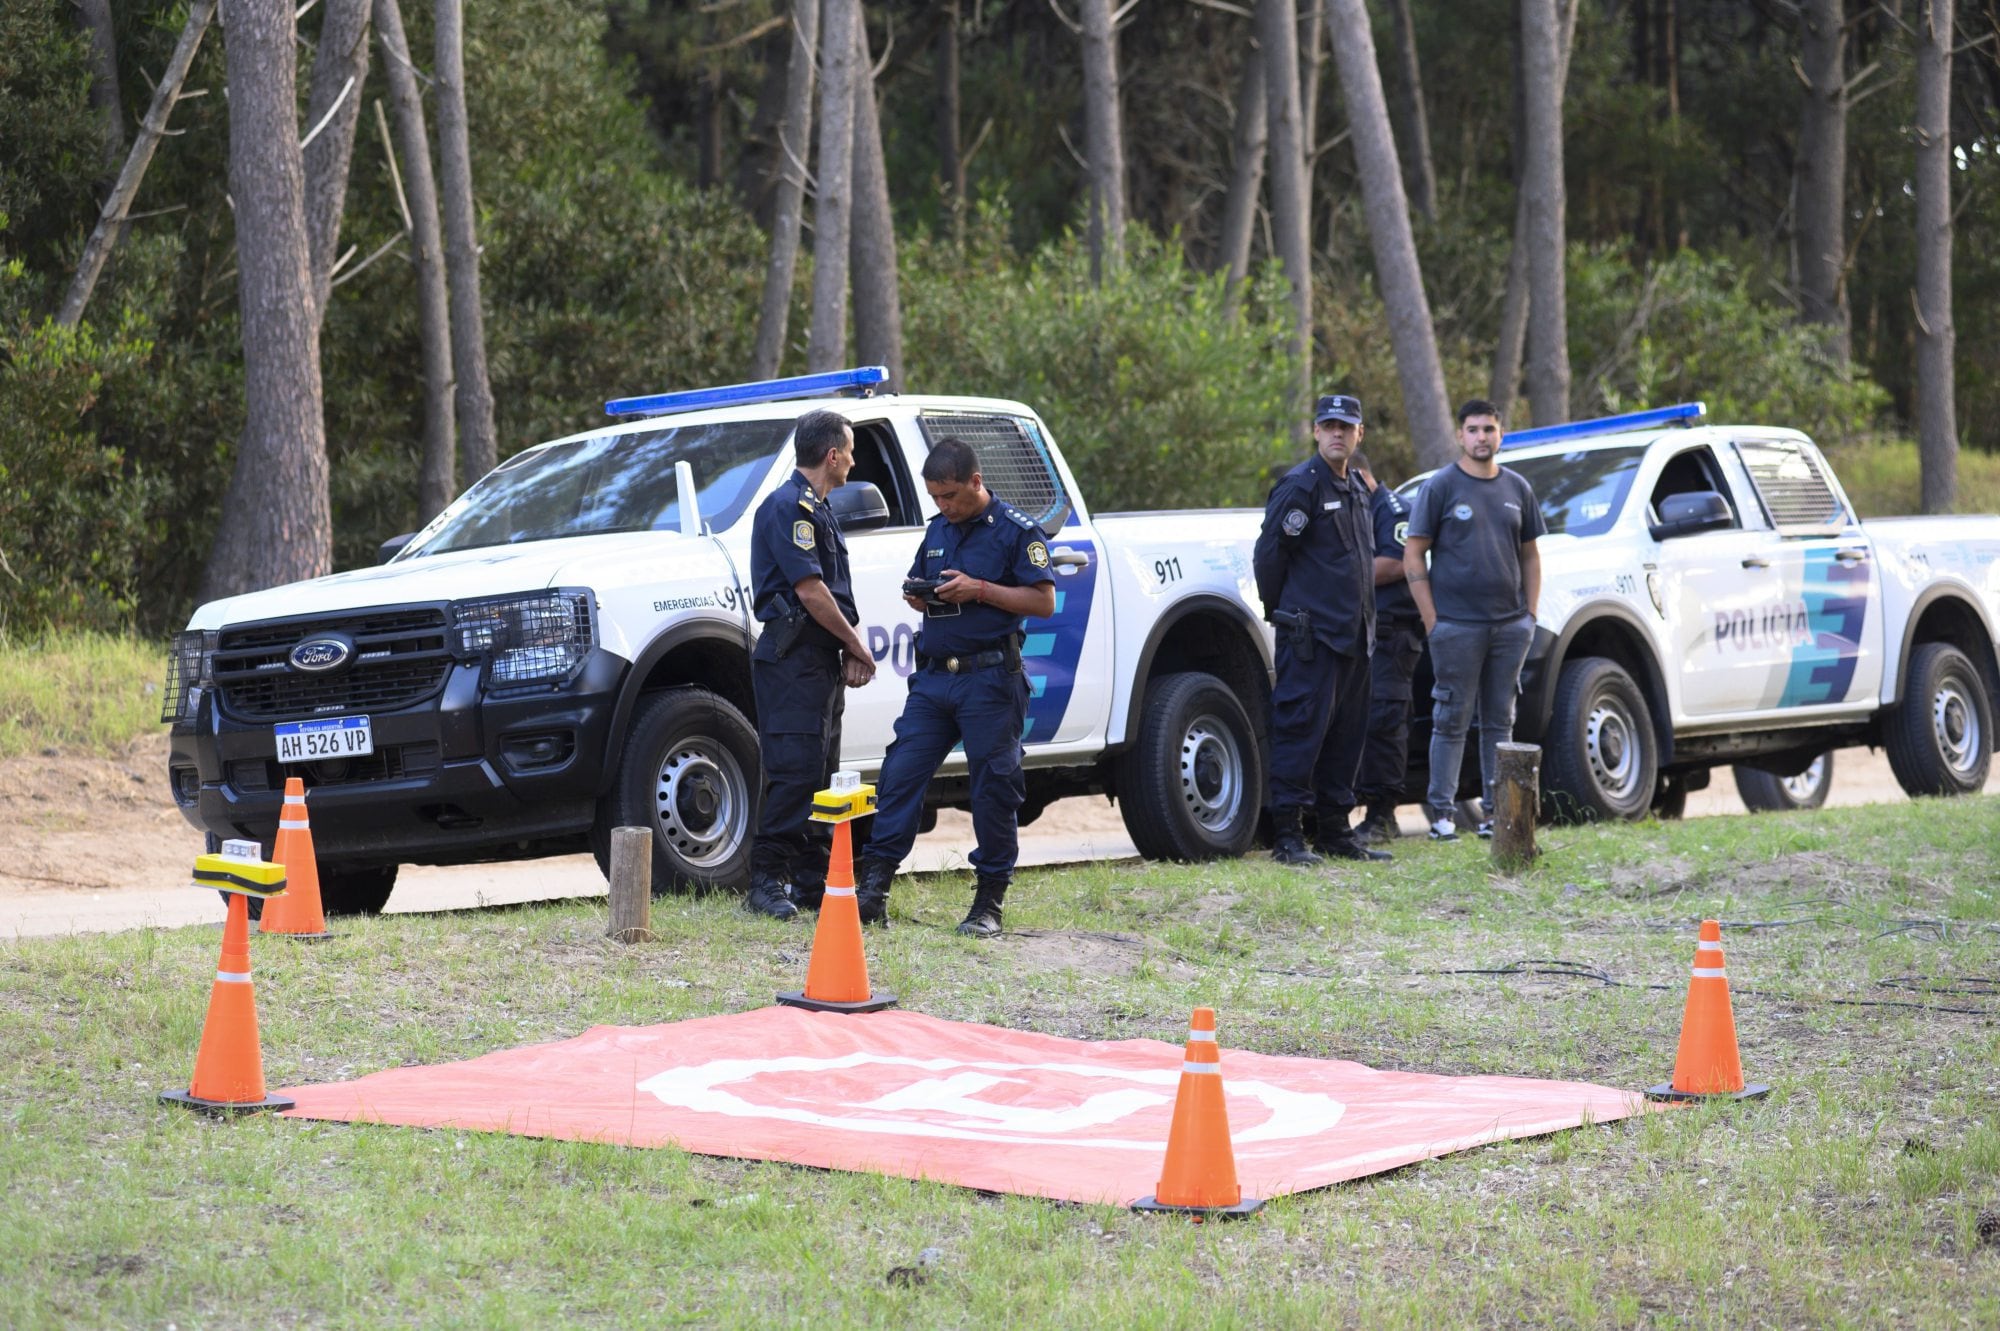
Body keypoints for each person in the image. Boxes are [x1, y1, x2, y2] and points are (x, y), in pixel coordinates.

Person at [853, 438, 1056, 937]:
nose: (944, 506)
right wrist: (921, 596)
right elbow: (921, 579)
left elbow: (1043, 601)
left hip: (990, 680)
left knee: (993, 788)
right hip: (934, 679)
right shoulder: (939, 529)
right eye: (936, 497)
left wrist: (979, 589)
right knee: (900, 775)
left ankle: (988, 903)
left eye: (950, 496)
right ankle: (873, 891)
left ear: (976, 482)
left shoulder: (1016, 532)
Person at [745, 409, 877, 919]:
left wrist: (844, 646)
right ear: (831, 455)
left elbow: (833, 594)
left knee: (823, 773)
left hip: (817, 661)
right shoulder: (789, 508)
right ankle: (765, 883)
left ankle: (810, 880)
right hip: (792, 659)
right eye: (850, 451)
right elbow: (810, 590)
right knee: (794, 770)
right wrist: (857, 644)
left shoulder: (820, 510)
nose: (853, 461)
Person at [1251, 394, 1393, 867]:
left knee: (1347, 737)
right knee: (1299, 733)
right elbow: (1270, 557)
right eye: (1328, 425)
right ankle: (1288, 836)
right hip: (1312, 637)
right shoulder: (1300, 486)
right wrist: (1284, 613)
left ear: (1359, 434)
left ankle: (1335, 831)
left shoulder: (1356, 486)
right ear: (1315, 431)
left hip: (1355, 636)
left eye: (1345, 426)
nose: (1337, 433)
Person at [1402, 398, 1545, 842]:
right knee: (1450, 720)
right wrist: (1433, 621)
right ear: (1460, 435)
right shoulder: (1441, 486)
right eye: (1473, 429)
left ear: (1500, 434)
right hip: (1455, 627)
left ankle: (1494, 813)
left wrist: (1530, 615)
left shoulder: (1517, 488)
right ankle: (1442, 815)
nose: (1482, 437)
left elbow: (1530, 555)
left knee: (1500, 721)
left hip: (1509, 626)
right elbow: (1413, 553)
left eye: (1489, 429)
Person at [1351, 455, 1423, 845]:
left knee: (1385, 721)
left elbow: (1395, 563)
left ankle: (1383, 814)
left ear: (1362, 476)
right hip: (1361, 635)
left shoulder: (1392, 509)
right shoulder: (1351, 508)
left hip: (1394, 634)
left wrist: (1337, 573)